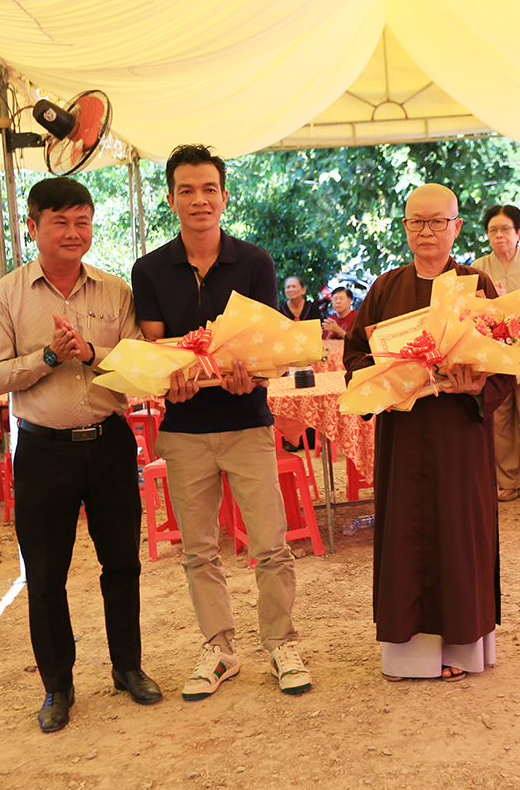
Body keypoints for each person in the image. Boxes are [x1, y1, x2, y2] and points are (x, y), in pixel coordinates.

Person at [131, 144, 312, 700]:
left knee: (270, 544)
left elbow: (263, 346)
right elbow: (156, 349)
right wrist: (171, 379)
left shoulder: (255, 262)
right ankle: (219, 649)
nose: (199, 199)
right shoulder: (149, 269)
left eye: (209, 188)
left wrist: (247, 374)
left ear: (224, 197)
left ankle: (281, 645)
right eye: (186, 190)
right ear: (171, 200)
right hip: (184, 430)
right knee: (198, 550)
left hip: (246, 421)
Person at [0, 176, 160, 732]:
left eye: (82, 221)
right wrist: (49, 358)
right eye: (60, 221)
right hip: (43, 450)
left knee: (122, 563)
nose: (73, 232)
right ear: (32, 227)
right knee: (45, 575)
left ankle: (128, 667)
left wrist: (91, 352)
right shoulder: (4, 295)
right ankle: (57, 686)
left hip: (109, 443)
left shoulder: (115, 291)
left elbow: (140, 368)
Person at [343, 182, 514, 682]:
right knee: (405, 534)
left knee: (460, 534)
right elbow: (355, 357)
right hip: (403, 434)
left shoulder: (476, 285)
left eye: (438, 221)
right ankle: (409, 656)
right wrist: (389, 377)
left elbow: (507, 360)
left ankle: (462, 647)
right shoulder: (385, 288)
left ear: (456, 227)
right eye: (417, 221)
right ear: (404, 227)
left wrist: (477, 384)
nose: (427, 231)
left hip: (459, 436)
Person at [471, 203, 520, 501]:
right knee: (500, 420)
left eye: (505, 229)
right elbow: (472, 311)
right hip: (495, 355)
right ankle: (509, 481)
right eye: (493, 231)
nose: (499, 235)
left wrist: (509, 301)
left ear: (518, 232)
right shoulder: (479, 266)